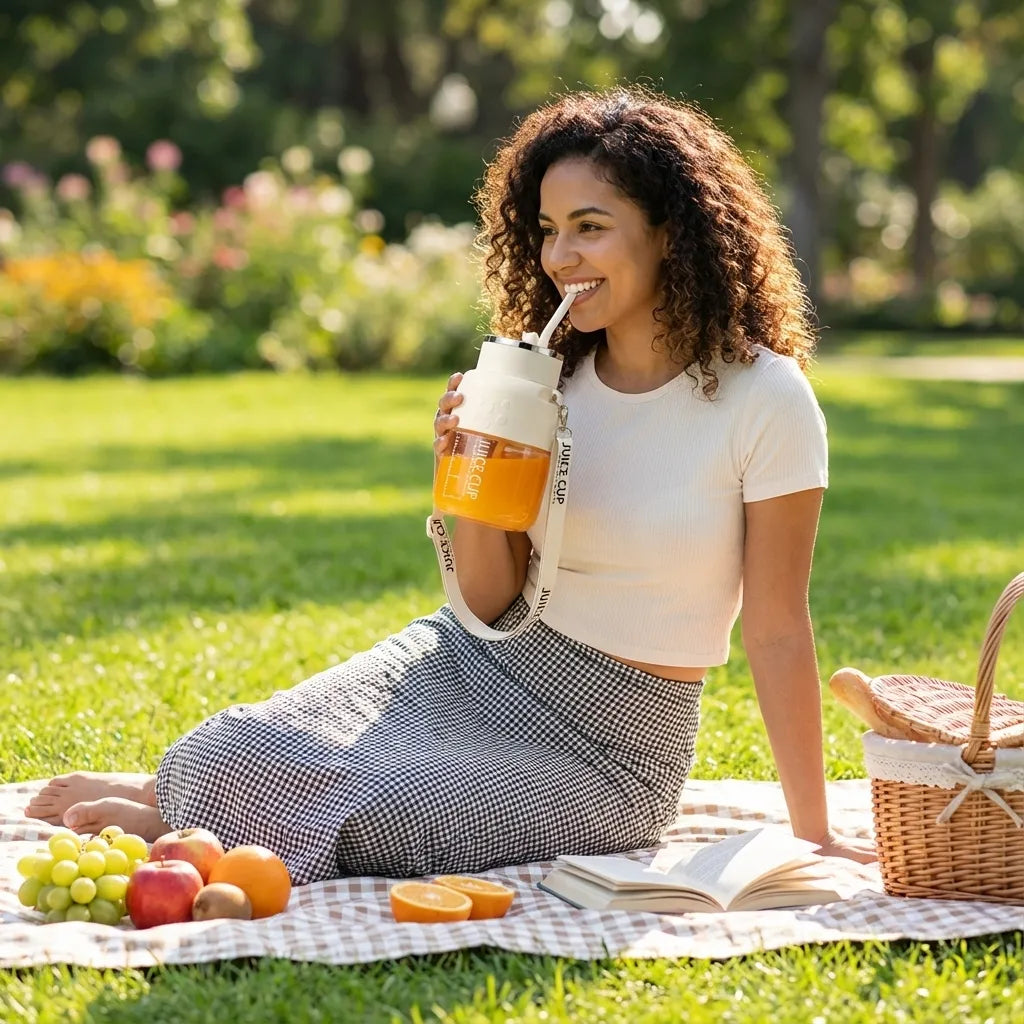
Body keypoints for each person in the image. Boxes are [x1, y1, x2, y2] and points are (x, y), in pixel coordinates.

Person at [27, 86, 875, 883]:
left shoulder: (764, 399)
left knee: (398, 808)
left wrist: (811, 831)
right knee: (237, 743)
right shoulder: (545, 379)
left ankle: (178, 804)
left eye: (590, 227)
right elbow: (489, 599)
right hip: (471, 661)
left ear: (670, 233)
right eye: (546, 230)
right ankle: (189, 789)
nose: (559, 257)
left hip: (609, 747)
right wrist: (467, 475)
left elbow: (774, 627)